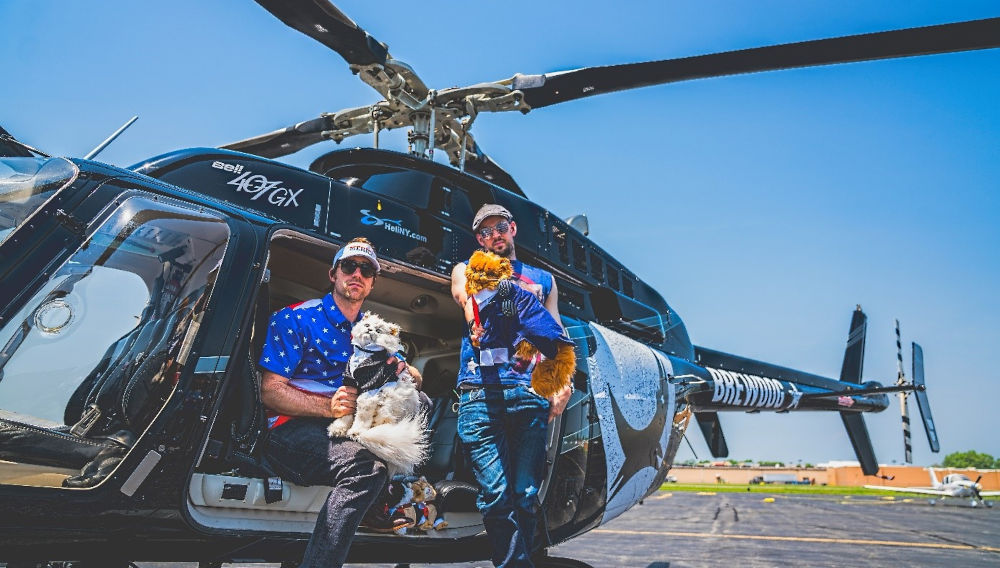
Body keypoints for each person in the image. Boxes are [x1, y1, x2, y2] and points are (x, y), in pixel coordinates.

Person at [258, 237, 421, 568]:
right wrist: (329, 407)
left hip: (351, 432)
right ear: (334, 274)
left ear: (373, 283)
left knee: (423, 404)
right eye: (349, 266)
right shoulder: (295, 318)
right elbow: (270, 391)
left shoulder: (375, 331)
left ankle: (386, 502)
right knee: (367, 470)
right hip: (290, 430)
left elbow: (414, 375)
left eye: (366, 270)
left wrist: (404, 371)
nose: (357, 274)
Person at [450, 204, 574, 567]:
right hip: (479, 393)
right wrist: (475, 320)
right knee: (496, 494)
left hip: (528, 392)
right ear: (478, 239)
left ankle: (529, 558)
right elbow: (464, 296)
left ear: (513, 229)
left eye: (500, 227)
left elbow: (556, 332)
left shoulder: (544, 280)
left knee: (525, 493)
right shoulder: (467, 268)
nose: (494, 236)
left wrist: (563, 383)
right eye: (485, 232)